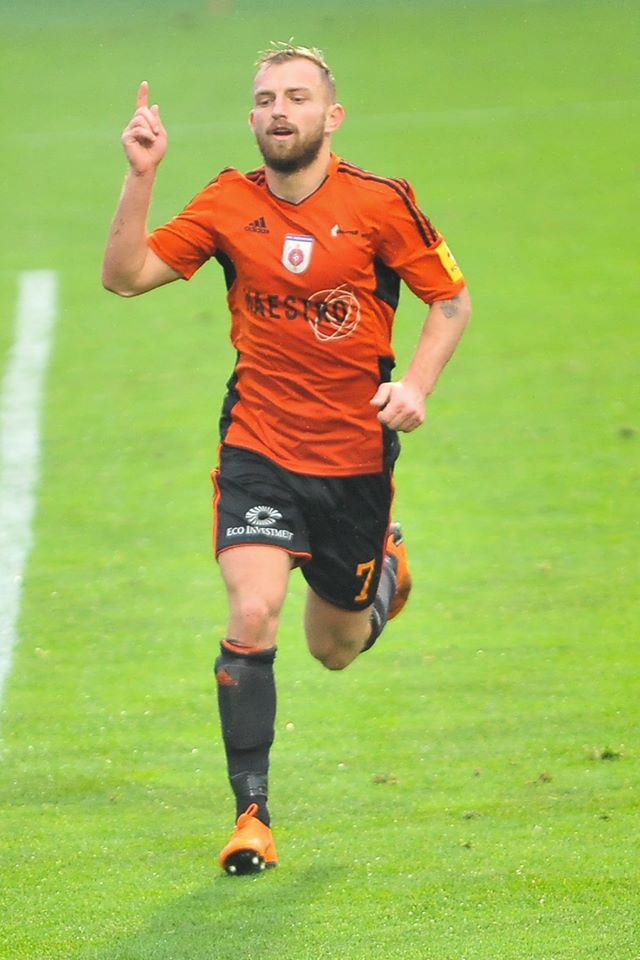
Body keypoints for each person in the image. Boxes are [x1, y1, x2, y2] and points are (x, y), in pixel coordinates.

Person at [102, 42, 471, 876]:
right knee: (252, 611)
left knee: (334, 649)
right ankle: (252, 818)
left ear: (330, 116)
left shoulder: (380, 204)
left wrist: (415, 385)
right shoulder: (228, 202)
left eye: (297, 96)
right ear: (251, 117)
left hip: (353, 460)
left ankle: (386, 569)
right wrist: (141, 174)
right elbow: (124, 276)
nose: (280, 109)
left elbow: (451, 299)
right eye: (267, 97)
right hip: (259, 446)